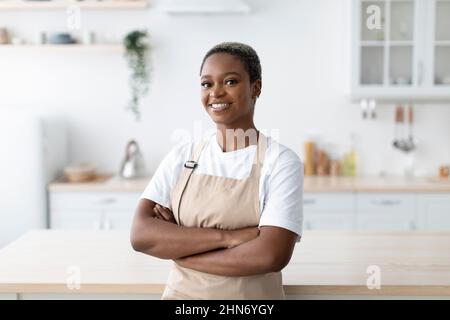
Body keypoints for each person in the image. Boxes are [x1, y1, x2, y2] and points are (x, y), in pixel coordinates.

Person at [130, 42, 303, 300]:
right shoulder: (182, 156)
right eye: (207, 84)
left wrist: (179, 251)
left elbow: (270, 255)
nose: (216, 93)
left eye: (230, 82)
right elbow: (141, 235)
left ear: (256, 88)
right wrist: (230, 238)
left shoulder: (281, 162)